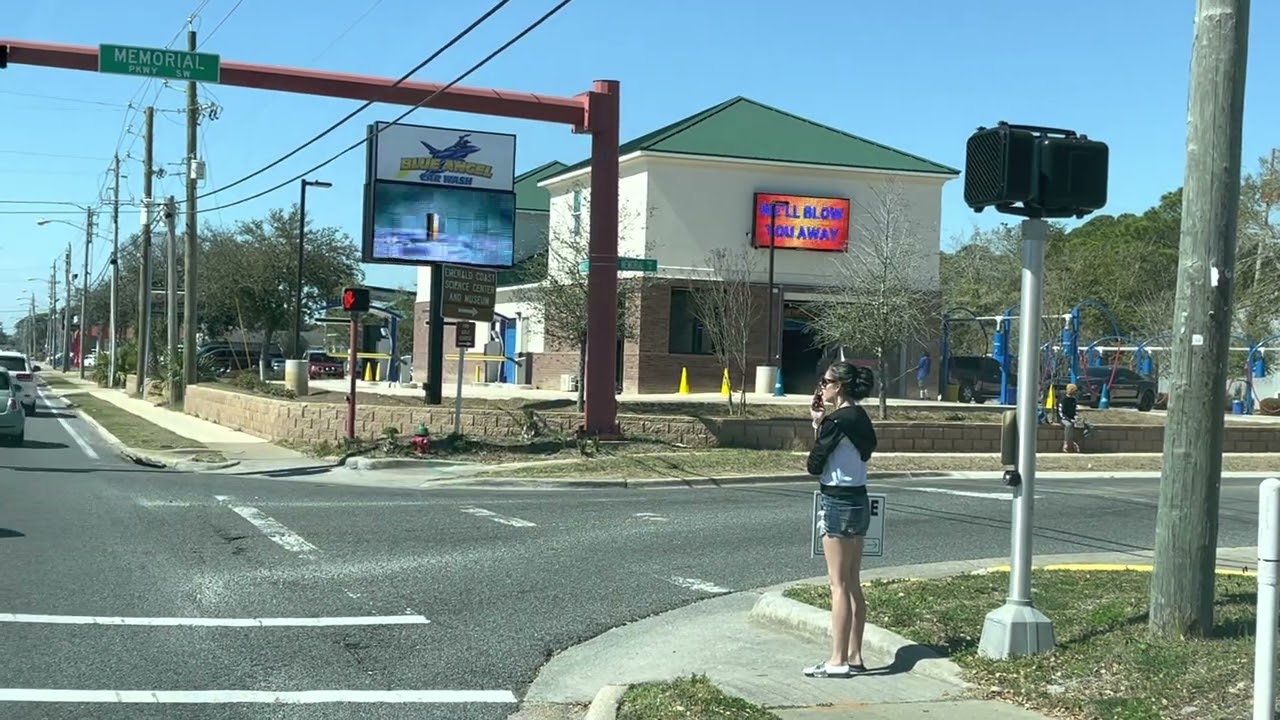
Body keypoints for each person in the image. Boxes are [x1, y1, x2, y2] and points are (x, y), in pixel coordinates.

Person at [804, 360, 877, 679]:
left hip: (837, 499)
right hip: (859, 498)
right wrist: (821, 422)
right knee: (852, 581)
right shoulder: (860, 417)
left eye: (826, 382)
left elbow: (814, 464)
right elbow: (865, 451)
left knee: (838, 584)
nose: (822, 387)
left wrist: (818, 425)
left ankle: (837, 660)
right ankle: (855, 655)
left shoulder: (835, 422)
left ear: (839, 386)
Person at [1057, 382, 1093, 452]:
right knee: (1069, 426)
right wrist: (1069, 419)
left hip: (1072, 418)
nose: (1075, 392)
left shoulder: (1073, 400)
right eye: (1074, 391)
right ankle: (1067, 443)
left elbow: (1074, 411)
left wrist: (1077, 417)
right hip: (1063, 419)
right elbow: (1061, 413)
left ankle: (1077, 441)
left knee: (1089, 426)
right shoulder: (1063, 400)